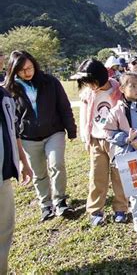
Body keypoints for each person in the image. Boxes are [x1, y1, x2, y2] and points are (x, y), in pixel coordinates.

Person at [4, 50, 77, 221]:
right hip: (28, 137)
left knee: (57, 164)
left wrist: (71, 129)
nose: (27, 73)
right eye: (22, 70)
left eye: (30, 68)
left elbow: (64, 106)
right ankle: (45, 204)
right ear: (14, 71)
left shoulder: (49, 82)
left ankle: (60, 201)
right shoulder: (9, 90)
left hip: (54, 132)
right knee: (38, 173)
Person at [103, 72, 137, 237]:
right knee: (136, 189)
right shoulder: (117, 110)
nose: (136, 89)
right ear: (121, 89)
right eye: (132, 86)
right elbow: (108, 132)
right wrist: (127, 139)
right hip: (129, 156)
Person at [74, 59, 128, 226]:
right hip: (96, 140)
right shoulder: (88, 94)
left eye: (89, 82)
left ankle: (121, 208)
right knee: (97, 176)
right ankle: (95, 210)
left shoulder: (118, 90)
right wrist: (85, 136)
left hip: (116, 140)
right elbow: (84, 116)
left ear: (98, 79)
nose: (88, 85)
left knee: (119, 175)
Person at [0, 54, 33, 275]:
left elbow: (13, 131)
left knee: (4, 230)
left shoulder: (4, 94)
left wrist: (22, 160)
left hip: (4, 174)